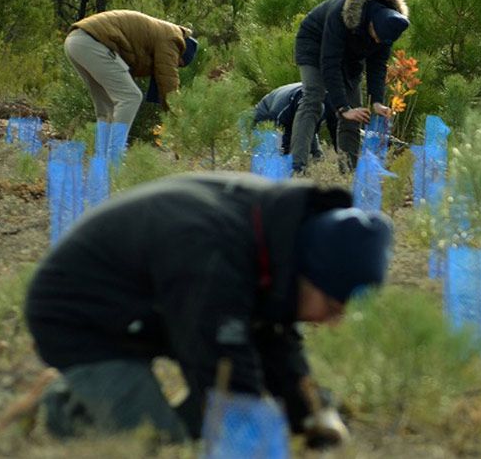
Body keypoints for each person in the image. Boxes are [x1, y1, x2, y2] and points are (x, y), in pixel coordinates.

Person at [25, 173, 391, 446]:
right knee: (158, 447)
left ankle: (91, 396)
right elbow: (223, 367)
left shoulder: (277, 238)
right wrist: (260, 441)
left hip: (152, 305)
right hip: (77, 314)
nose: (333, 321)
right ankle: (69, 406)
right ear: (307, 275)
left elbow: (272, 336)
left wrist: (307, 412)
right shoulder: (216, 251)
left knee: (223, 408)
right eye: (332, 305)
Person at [293, 0, 410, 172]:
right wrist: (342, 106)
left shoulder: (388, 28)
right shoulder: (341, 14)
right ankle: (298, 166)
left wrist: (377, 102)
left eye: (382, 41)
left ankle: (349, 170)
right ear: (371, 22)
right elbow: (330, 62)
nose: (377, 42)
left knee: (356, 113)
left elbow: (377, 66)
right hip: (314, 44)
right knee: (313, 99)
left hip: (350, 56)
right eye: (376, 37)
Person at [64, 10, 199, 128]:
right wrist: (180, 121)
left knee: (106, 107)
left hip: (75, 41)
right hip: (92, 42)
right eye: (178, 63)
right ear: (182, 53)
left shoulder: (163, 32)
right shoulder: (173, 39)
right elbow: (169, 85)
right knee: (131, 97)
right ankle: (115, 155)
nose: (175, 65)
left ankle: (103, 156)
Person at [252, 83, 333, 171]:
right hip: (266, 115)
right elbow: (280, 130)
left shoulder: (325, 102)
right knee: (273, 154)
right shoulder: (284, 108)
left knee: (316, 154)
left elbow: (310, 131)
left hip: (297, 109)